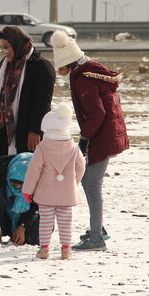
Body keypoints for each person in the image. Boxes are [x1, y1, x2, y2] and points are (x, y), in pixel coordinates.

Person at [50, 30, 129, 251]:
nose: (59, 72)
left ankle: (97, 237)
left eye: (60, 67)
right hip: (105, 133)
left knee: (92, 184)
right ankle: (98, 229)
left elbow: (97, 114)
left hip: (100, 135)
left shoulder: (84, 78)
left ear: (69, 63)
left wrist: (85, 137)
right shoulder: (88, 71)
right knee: (89, 182)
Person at [0, 26, 55, 166]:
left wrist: (35, 130)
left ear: (18, 44)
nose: (4, 52)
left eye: (7, 47)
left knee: (20, 176)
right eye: (1, 48)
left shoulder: (41, 67)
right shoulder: (5, 65)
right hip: (1, 131)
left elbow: (43, 103)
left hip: (25, 133)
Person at [22, 102, 85, 260]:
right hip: (66, 194)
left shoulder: (42, 148)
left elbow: (33, 171)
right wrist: (73, 183)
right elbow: (81, 166)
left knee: (45, 222)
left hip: (46, 194)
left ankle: (44, 249)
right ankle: (65, 250)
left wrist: (28, 191)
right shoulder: (74, 148)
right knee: (66, 222)